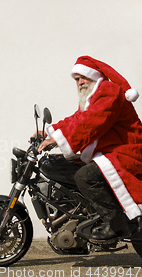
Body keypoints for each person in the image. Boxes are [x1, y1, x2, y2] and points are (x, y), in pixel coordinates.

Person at [38, 56, 142, 242]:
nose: (79, 82)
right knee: (72, 166)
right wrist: (49, 132)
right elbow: (77, 119)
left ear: (93, 75)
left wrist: (57, 140)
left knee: (85, 176)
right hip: (111, 150)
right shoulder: (94, 95)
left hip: (126, 151)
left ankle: (119, 225)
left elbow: (92, 123)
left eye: (82, 77)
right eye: (76, 79)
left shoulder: (109, 91)